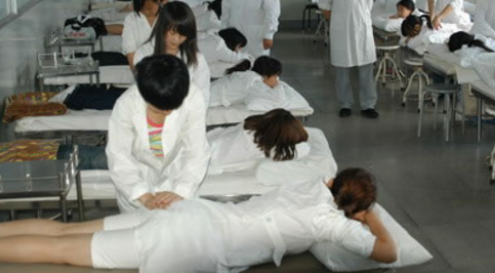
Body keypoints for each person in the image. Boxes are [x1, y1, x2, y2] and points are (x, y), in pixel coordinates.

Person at [0, 168, 397, 271]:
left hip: (191, 212)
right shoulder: (333, 225)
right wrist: (371, 217)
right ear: (355, 210)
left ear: (332, 182)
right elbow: (388, 253)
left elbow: (326, 183)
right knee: (61, 252)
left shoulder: (308, 185)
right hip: (186, 243)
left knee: (65, 230)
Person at [106, 54, 210, 213]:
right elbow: (119, 155)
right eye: (159, 109)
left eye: (172, 108)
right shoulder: (126, 104)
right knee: (139, 228)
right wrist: (144, 196)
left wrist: (181, 191)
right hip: (137, 183)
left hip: (176, 177)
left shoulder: (193, 97)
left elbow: (196, 151)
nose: (167, 112)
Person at [319, 0, 379, 119]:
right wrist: (341, 21)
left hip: (362, 28)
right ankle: (345, 104)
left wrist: (358, 18)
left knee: (366, 69)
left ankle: (368, 104)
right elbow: (325, 7)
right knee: (342, 70)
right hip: (341, 30)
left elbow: (368, 3)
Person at [134, 1, 211, 107]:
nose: (176, 39)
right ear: (162, 27)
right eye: (172, 33)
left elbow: (202, 96)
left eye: (182, 35)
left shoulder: (197, 59)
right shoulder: (144, 54)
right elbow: (141, 94)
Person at [207, 109, 310, 174]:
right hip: (207, 157)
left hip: (209, 140)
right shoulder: (260, 147)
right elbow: (302, 149)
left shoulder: (251, 128)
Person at [122, 0, 162, 69]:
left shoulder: (168, 17)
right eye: (142, 9)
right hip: (141, 67)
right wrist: (137, 73)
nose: (146, 12)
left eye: (149, 8)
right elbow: (130, 51)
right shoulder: (131, 19)